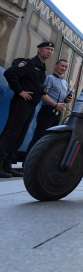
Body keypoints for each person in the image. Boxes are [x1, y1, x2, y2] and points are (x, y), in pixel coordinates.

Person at [0, 42, 54, 178]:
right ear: (39, 49)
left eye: (52, 50)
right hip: (21, 103)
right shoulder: (30, 63)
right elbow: (10, 73)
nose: (49, 52)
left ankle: (7, 165)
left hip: (31, 105)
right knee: (11, 132)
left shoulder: (42, 67)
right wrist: (20, 91)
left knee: (20, 135)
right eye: (47, 49)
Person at [26, 58, 72, 158]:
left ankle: (39, 161)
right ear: (56, 66)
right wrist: (55, 104)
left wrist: (67, 99)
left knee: (51, 140)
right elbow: (43, 95)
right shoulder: (49, 78)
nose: (63, 68)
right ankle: (27, 162)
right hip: (47, 112)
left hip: (57, 113)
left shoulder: (65, 83)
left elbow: (63, 99)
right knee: (39, 138)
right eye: (61, 65)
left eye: (65, 67)